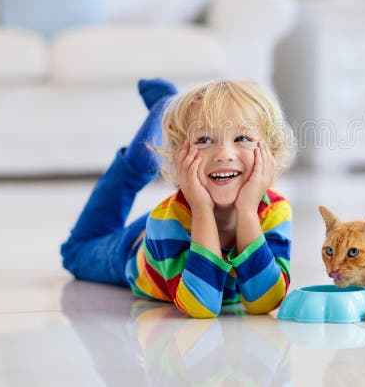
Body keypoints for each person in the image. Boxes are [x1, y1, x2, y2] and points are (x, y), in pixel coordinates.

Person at [60, 78, 294, 318]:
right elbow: (201, 306)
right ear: (178, 158)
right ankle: (134, 167)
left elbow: (266, 301)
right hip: (132, 249)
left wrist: (247, 212)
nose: (224, 154)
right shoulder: (166, 221)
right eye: (203, 140)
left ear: (271, 155)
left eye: (242, 138)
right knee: (76, 252)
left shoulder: (275, 210)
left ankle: (162, 117)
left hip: (180, 216)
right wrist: (202, 210)